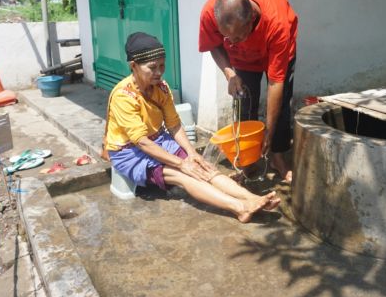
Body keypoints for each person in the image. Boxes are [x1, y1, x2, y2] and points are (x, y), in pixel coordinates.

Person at [104, 32, 280, 223]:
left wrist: (192, 154)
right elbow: (142, 143)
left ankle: (251, 198)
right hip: (130, 151)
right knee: (184, 176)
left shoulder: (161, 88)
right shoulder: (123, 96)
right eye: (152, 67)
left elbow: (173, 124)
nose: (159, 72)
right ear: (134, 66)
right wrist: (181, 163)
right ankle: (239, 208)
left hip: (158, 139)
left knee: (203, 166)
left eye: (162, 66)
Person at [199, 0, 298, 183]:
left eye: (237, 36)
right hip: (244, 58)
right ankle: (247, 159)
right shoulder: (210, 14)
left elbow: (275, 82)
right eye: (227, 37)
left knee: (281, 107)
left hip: (277, 51)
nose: (231, 42)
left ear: (252, 18)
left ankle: (277, 156)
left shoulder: (277, 24)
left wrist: (268, 132)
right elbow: (214, 45)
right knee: (245, 103)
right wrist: (230, 74)